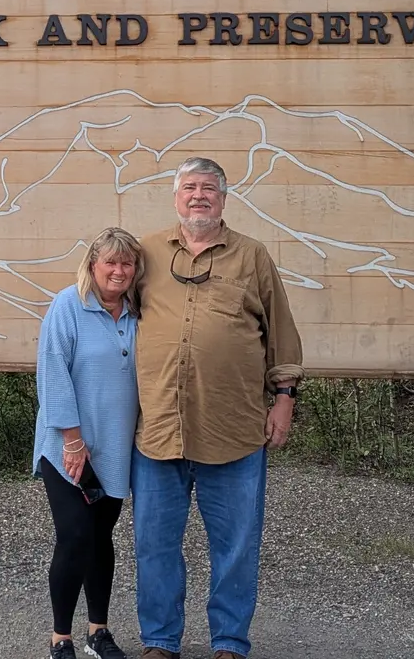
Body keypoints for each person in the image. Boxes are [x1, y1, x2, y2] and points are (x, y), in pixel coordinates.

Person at [131, 157, 303, 659]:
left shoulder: (253, 256)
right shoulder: (146, 253)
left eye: (209, 188)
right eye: (190, 188)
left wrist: (285, 400)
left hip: (234, 429)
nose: (199, 196)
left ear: (224, 199)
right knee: (155, 546)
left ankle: (229, 643)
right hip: (159, 428)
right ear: (175, 197)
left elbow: (282, 333)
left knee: (235, 549)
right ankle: (160, 641)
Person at [34, 227, 147, 659]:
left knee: (102, 538)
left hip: (116, 448)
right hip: (69, 448)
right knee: (75, 536)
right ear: (94, 265)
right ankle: (60, 637)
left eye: (127, 263)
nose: (119, 271)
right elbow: (53, 371)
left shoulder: (139, 312)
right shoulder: (69, 305)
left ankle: (98, 631)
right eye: (111, 263)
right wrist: (73, 440)